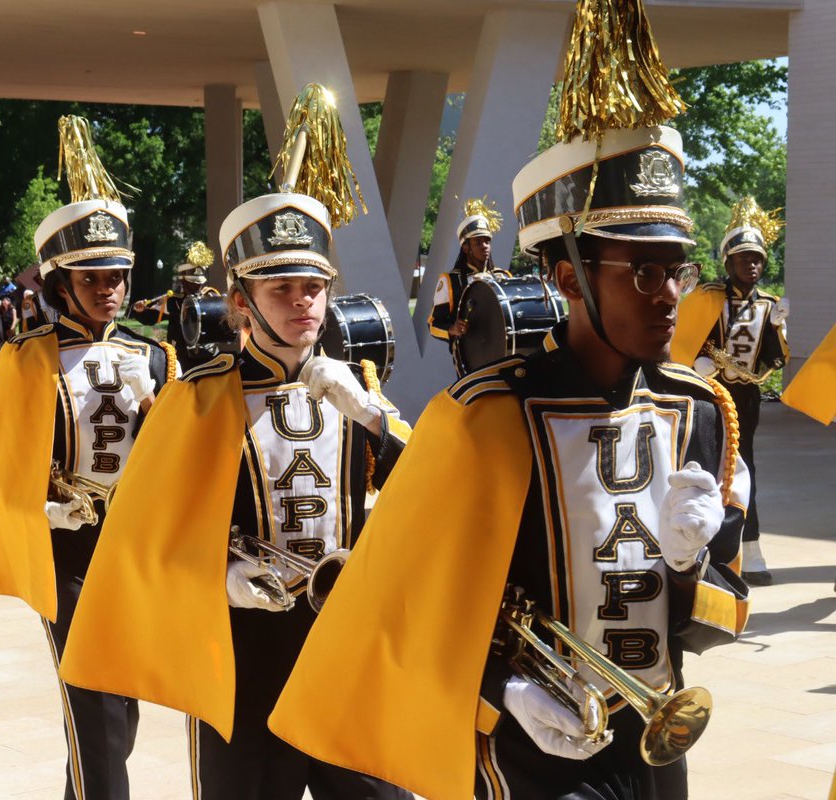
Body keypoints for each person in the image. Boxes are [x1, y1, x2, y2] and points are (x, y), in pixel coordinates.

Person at [267, 6, 751, 799]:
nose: (669, 295)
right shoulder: (487, 412)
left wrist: (697, 554)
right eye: (642, 272)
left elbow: (719, 614)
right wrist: (503, 689)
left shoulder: (699, 410)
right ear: (568, 280)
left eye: (678, 270)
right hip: (532, 753)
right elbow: (407, 599)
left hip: (658, 745)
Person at [56, 84, 413, 800]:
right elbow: (141, 537)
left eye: (314, 285)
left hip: (344, 640)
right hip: (243, 653)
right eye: (281, 289)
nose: (304, 302)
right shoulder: (196, 396)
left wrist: (375, 419)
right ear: (240, 302)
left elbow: (431, 490)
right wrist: (213, 579)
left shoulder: (358, 382)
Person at [0, 115, 172, 800]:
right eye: (91, 276)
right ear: (59, 284)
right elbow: (1, 459)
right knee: (95, 701)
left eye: (117, 276)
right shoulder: (25, 356)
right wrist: (38, 507)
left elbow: (175, 461)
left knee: (122, 706)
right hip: (66, 548)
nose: (108, 289)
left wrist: (161, 410)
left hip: (134, 545)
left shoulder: (155, 353)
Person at [671, 197, 787, 586]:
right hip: (708, 396)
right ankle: (702, 545)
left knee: (743, 469)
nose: (751, 265)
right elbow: (683, 343)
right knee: (705, 465)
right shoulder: (706, 298)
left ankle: (750, 547)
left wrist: (780, 333)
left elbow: (775, 360)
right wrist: (697, 365)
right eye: (743, 258)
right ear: (728, 263)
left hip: (746, 401)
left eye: (756, 258)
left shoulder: (770, 306)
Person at [427, 196, 508, 345]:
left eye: (487, 241)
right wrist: (451, 329)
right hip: (470, 358)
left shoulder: (503, 276)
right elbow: (433, 325)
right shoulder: (450, 281)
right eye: (478, 242)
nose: (484, 246)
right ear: (465, 247)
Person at [128, 241, 220, 369]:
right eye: (193, 283)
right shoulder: (173, 301)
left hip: (208, 358)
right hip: (181, 360)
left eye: (199, 283)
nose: (197, 286)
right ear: (183, 280)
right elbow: (150, 318)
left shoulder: (211, 297)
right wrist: (140, 310)